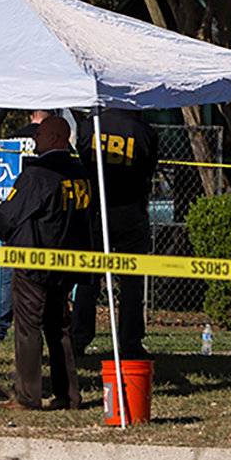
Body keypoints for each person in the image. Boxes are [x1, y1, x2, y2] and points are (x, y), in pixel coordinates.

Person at [0, 117, 94, 410]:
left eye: (40, 133)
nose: (35, 138)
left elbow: (8, 215)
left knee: (28, 327)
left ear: (56, 138)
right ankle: (69, 394)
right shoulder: (81, 173)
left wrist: (11, 238)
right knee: (59, 328)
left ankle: (28, 396)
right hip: (67, 262)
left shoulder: (38, 174)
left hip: (35, 260)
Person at [68, 107, 159, 359]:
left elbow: (82, 161)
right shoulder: (144, 131)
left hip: (95, 210)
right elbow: (148, 170)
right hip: (131, 210)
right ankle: (130, 341)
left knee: (88, 279)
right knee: (131, 281)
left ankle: (79, 337)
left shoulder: (90, 126)